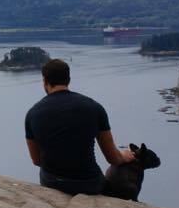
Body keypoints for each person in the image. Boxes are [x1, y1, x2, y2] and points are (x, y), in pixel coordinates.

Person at [26, 58, 135, 195]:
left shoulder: (33, 113)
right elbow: (112, 158)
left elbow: (36, 161)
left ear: (45, 81)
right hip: (89, 184)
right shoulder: (94, 108)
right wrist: (124, 156)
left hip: (52, 182)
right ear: (68, 79)